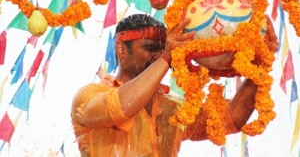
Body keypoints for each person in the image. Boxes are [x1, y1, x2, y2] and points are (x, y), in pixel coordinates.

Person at [71, 14, 278, 157]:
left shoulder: (173, 110)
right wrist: (167, 57)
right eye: (150, 48)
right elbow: (122, 107)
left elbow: (230, 119)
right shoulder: (88, 97)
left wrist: (259, 65)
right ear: (121, 50)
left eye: (162, 50)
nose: (157, 56)